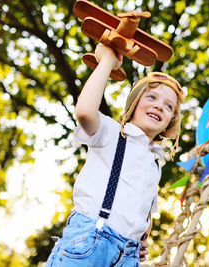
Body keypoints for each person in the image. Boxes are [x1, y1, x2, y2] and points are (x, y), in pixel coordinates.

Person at [45, 43, 185, 267]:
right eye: (151, 97)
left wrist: (140, 240)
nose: (159, 106)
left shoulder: (155, 162)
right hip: (91, 240)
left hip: (128, 255)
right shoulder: (111, 133)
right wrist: (107, 62)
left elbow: (141, 209)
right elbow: (84, 112)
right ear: (134, 103)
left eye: (169, 106)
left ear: (171, 122)